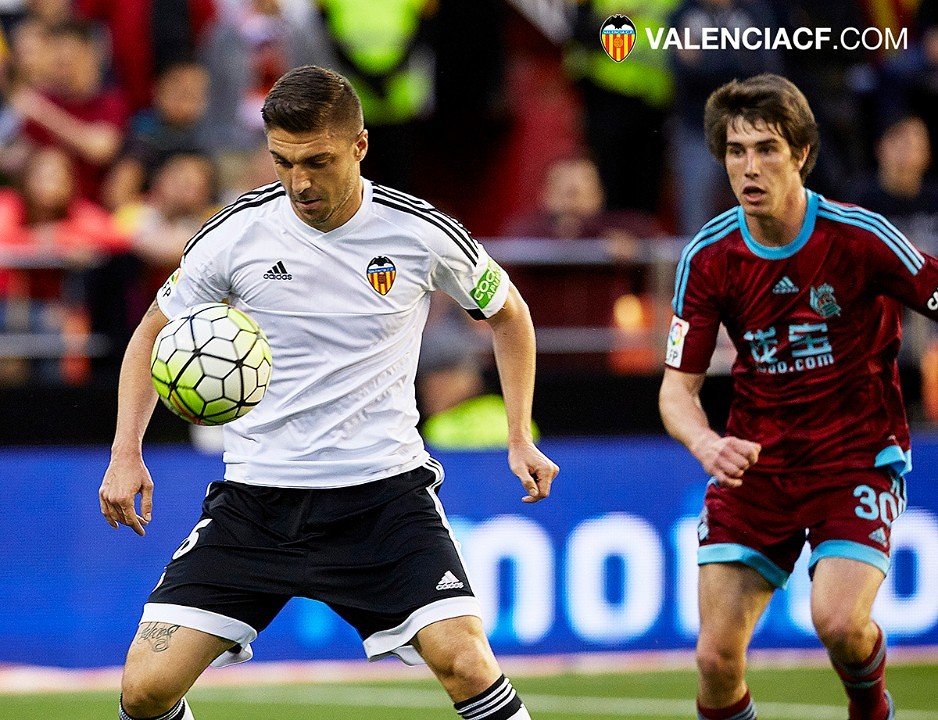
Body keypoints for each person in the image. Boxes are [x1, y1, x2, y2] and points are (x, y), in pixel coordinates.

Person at [98, 64, 558, 720]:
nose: (300, 183)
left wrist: (518, 435)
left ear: (359, 146)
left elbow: (510, 314)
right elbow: (152, 332)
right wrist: (126, 450)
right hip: (257, 502)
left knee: (466, 660)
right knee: (144, 689)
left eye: (317, 161)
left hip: (383, 498)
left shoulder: (419, 231)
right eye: (283, 162)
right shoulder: (235, 233)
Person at [656, 73, 938, 720]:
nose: (748, 167)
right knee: (714, 661)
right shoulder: (710, 256)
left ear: (802, 154)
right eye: (735, 151)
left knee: (838, 622)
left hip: (855, 457)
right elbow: (677, 391)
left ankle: (872, 710)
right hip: (758, 467)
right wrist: (705, 442)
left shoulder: (859, 237)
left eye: (766, 149)